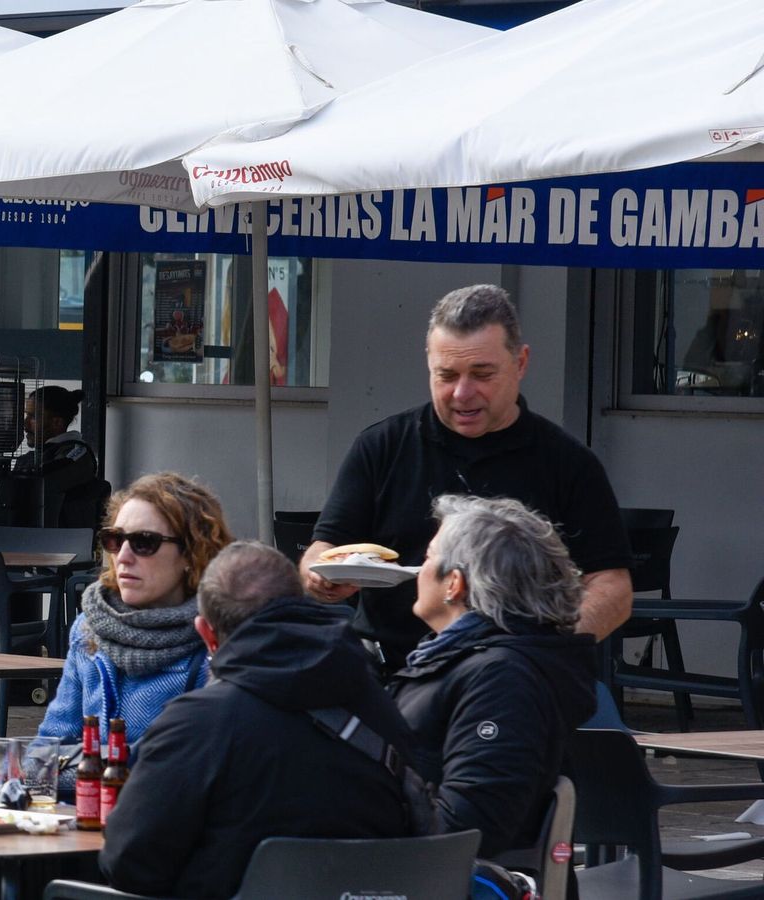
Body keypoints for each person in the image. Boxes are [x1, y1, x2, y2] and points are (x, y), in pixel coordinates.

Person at [301, 284, 632, 670]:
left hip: (517, 675)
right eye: (446, 375)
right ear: (429, 363)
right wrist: (321, 577)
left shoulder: (567, 461)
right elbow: (322, 550)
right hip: (388, 671)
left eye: (481, 374)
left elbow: (613, 588)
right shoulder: (382, 446)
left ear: (521, 363)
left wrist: (547, 653)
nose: (462, 393)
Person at [100, 542, 415, 898]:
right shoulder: (385, 706)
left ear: (207, 635)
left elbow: (128, 863)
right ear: (299, 604)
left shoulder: (197, 724)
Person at [391, 494, 595, 856]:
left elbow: (469, 829)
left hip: (440, 877)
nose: (417, 571)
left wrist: (368, 785)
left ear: (454, 584)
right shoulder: (457, 660)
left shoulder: (501, 678)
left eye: (427, 558)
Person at [37, 471, 232, 751]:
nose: (123, 557)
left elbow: (209, 761)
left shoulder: (220, 640)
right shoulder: (90, 626)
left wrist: (91, 760)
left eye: (144, 542)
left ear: (191, 553)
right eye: (115, 540)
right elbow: (44, 752)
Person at [0, 385, 102, 528]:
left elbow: (30, 486)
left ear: (57, 423)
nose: (25, 424)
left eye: (33, 417)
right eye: (26, 415)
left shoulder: (77, 456)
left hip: (58, 545)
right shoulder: (29, 459)